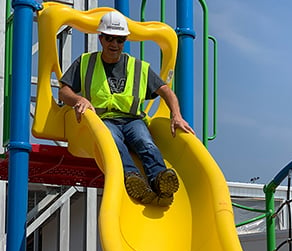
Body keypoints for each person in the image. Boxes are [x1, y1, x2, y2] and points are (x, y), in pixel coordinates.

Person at [58, 11, 194, 207]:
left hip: (132, 120)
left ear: (125, 40)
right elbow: (64, 91)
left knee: (145, 142)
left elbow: (166, 91)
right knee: (113, 142)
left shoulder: (138, 67)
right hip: (103, 119)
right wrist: (78, 99)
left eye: (120, 40)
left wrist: (177, 115)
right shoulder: (86, 62)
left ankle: (160, 179)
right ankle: (132, 177)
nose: (114, 44)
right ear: (101, 38)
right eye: (109, 38)